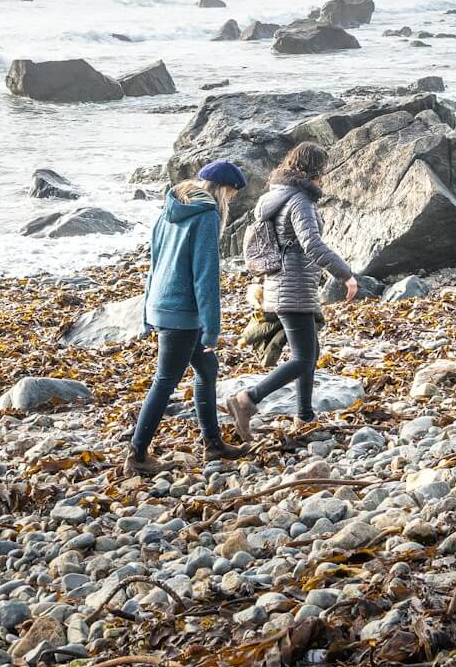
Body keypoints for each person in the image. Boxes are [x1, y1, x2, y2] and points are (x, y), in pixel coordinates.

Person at [223, 143, 357, 439]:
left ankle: (304, 416)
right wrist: (346, 274)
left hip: (281, 284)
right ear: (314, 170)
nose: (324, 176)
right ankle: (248, 399)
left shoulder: (275, 196)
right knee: (302, 358)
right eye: (322, 170)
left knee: (310, 352)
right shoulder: (300, 201)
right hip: (293, 286)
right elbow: (312, 245)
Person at [125, 160, 246, 476]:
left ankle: (213, 443)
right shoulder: (206, 216)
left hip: (162, 306)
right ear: (221, 190)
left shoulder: (168, 210)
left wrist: (147, 312)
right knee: (164, 382)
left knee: (207, 369)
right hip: (182, 313)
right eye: (231, 195)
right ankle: (137, 454)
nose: (230, 202)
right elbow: (205, 277)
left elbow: (153, 264)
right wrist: (212, 329)